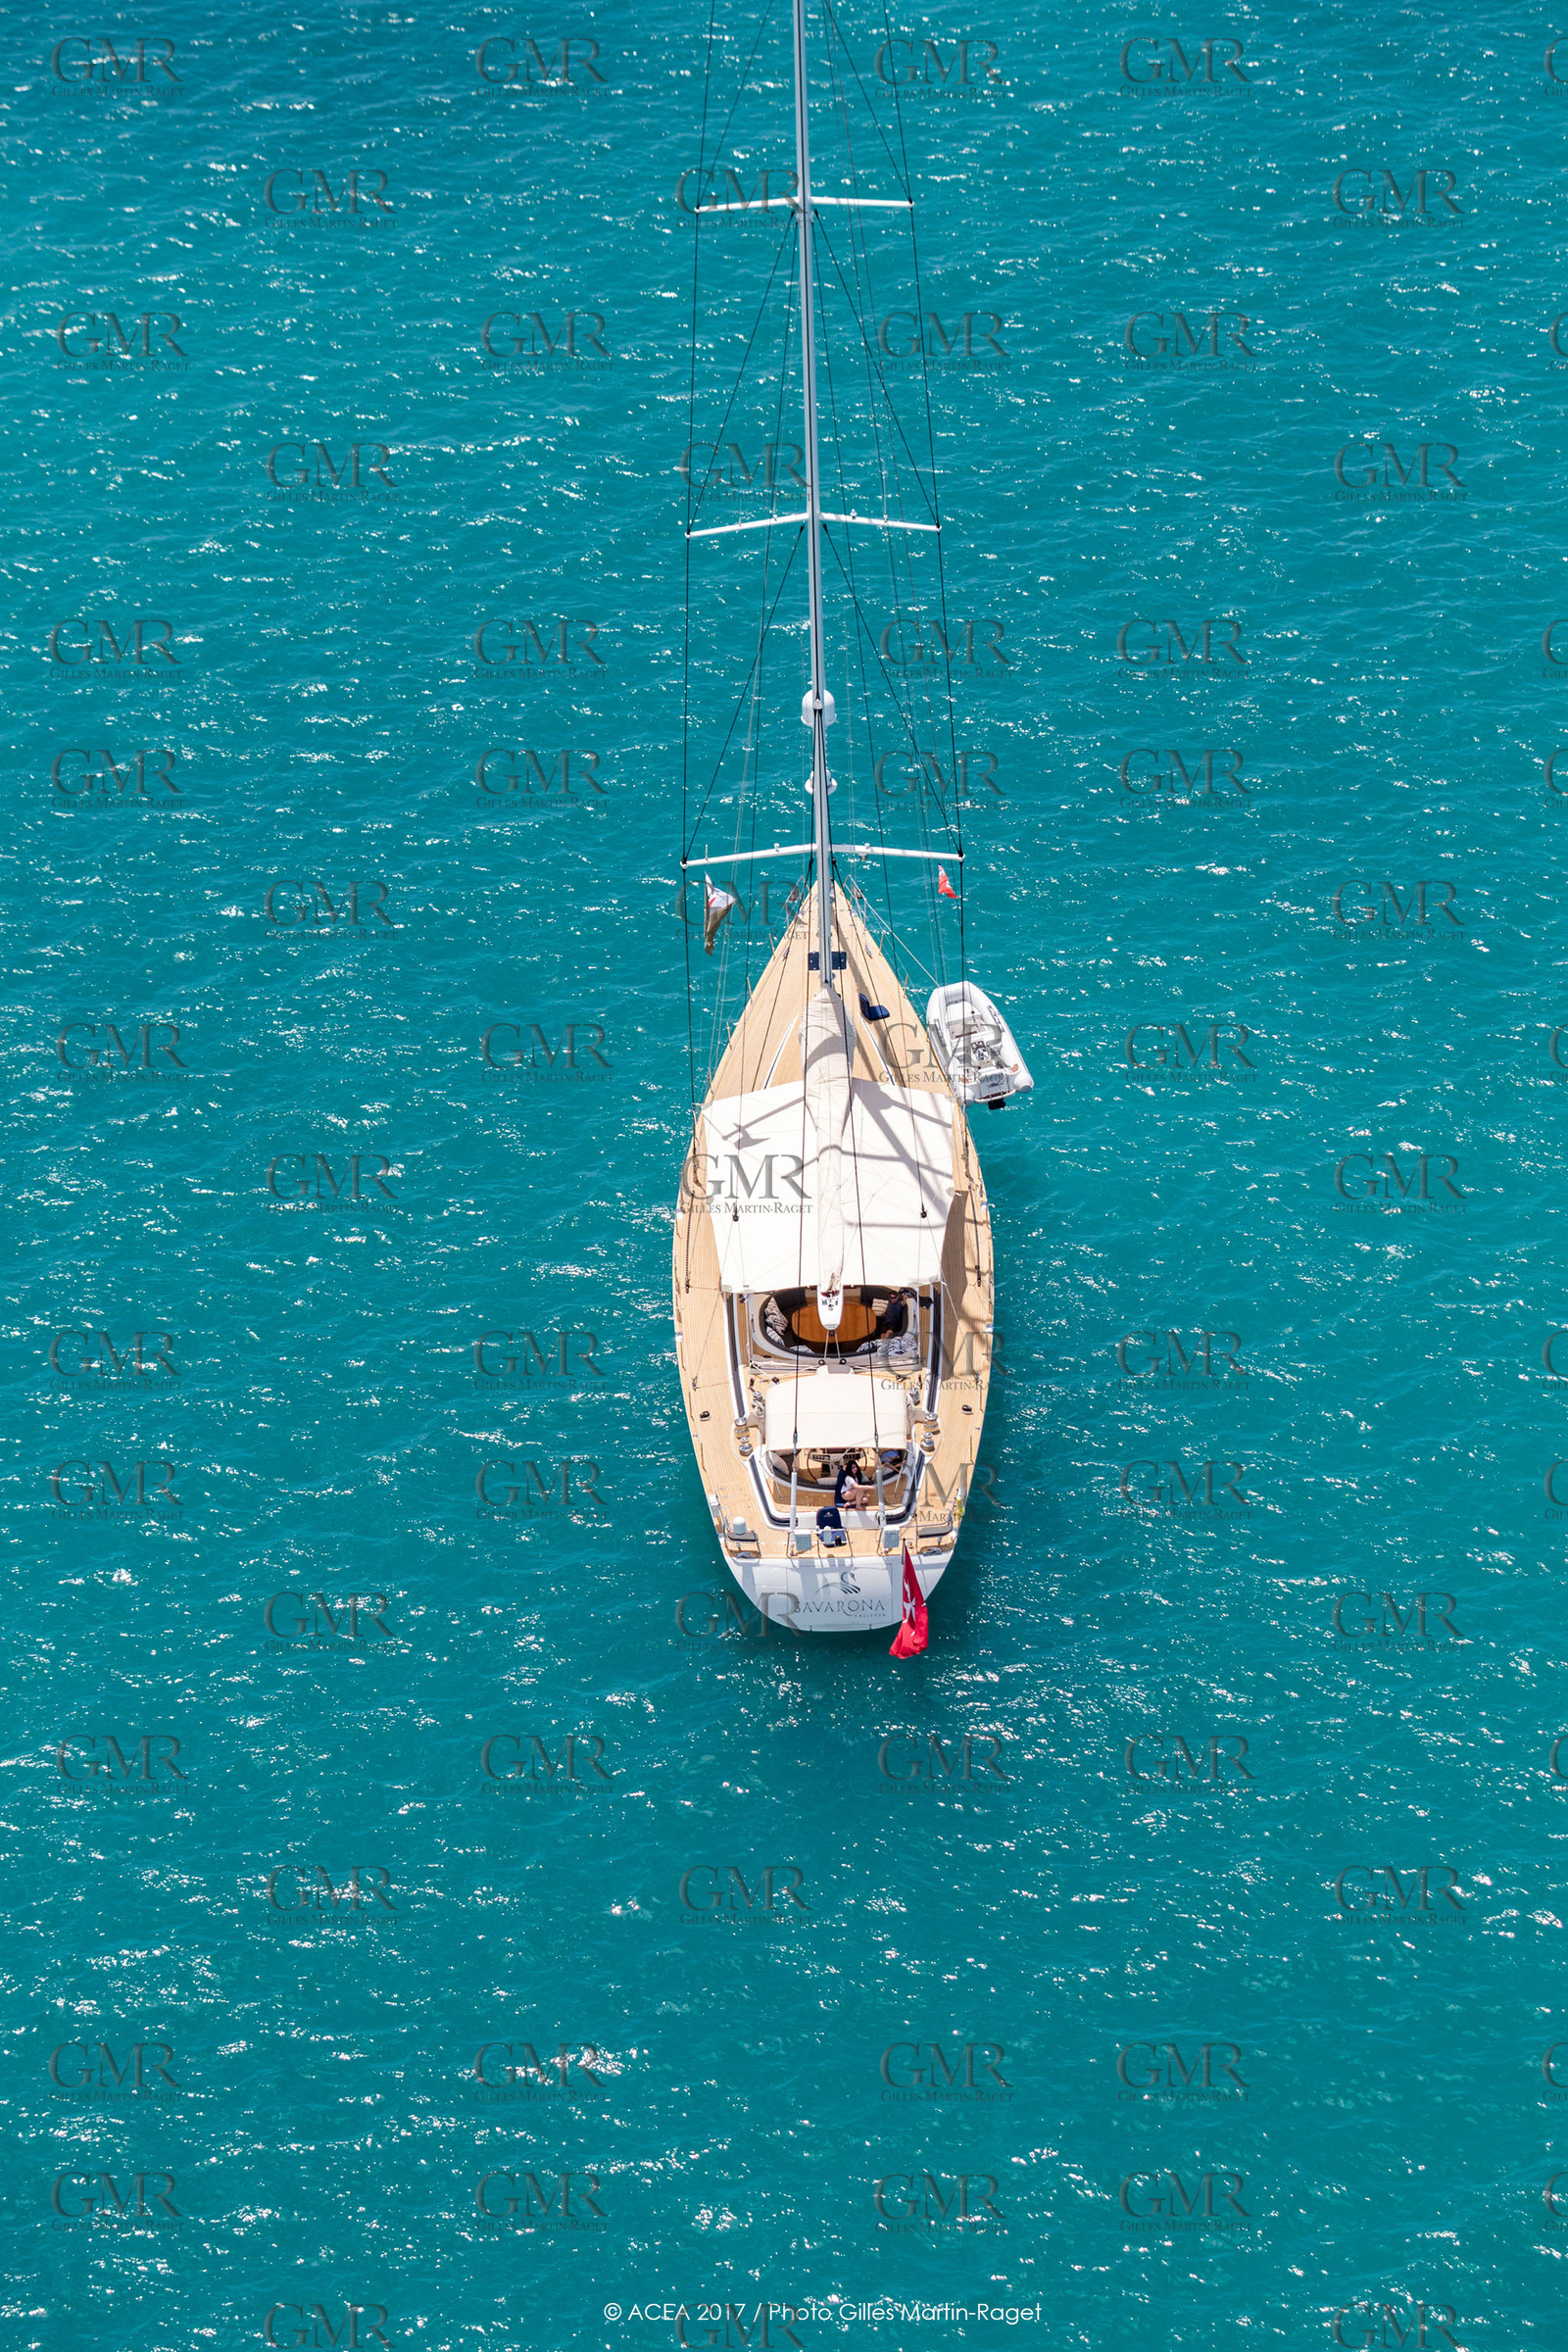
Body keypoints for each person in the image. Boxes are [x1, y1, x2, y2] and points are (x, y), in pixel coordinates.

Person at [816, 1452, 875, 1542]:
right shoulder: (848, 1477)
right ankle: (858, 1505)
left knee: (867, 1499)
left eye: (855, 1467)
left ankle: (851, 1503)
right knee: (859, 1489)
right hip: (846, 1495)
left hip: (853, 1494)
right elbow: (856, 1487)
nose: (855, 1468)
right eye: (853, 1467)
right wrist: (869, 1487)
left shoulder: (856, 1476)